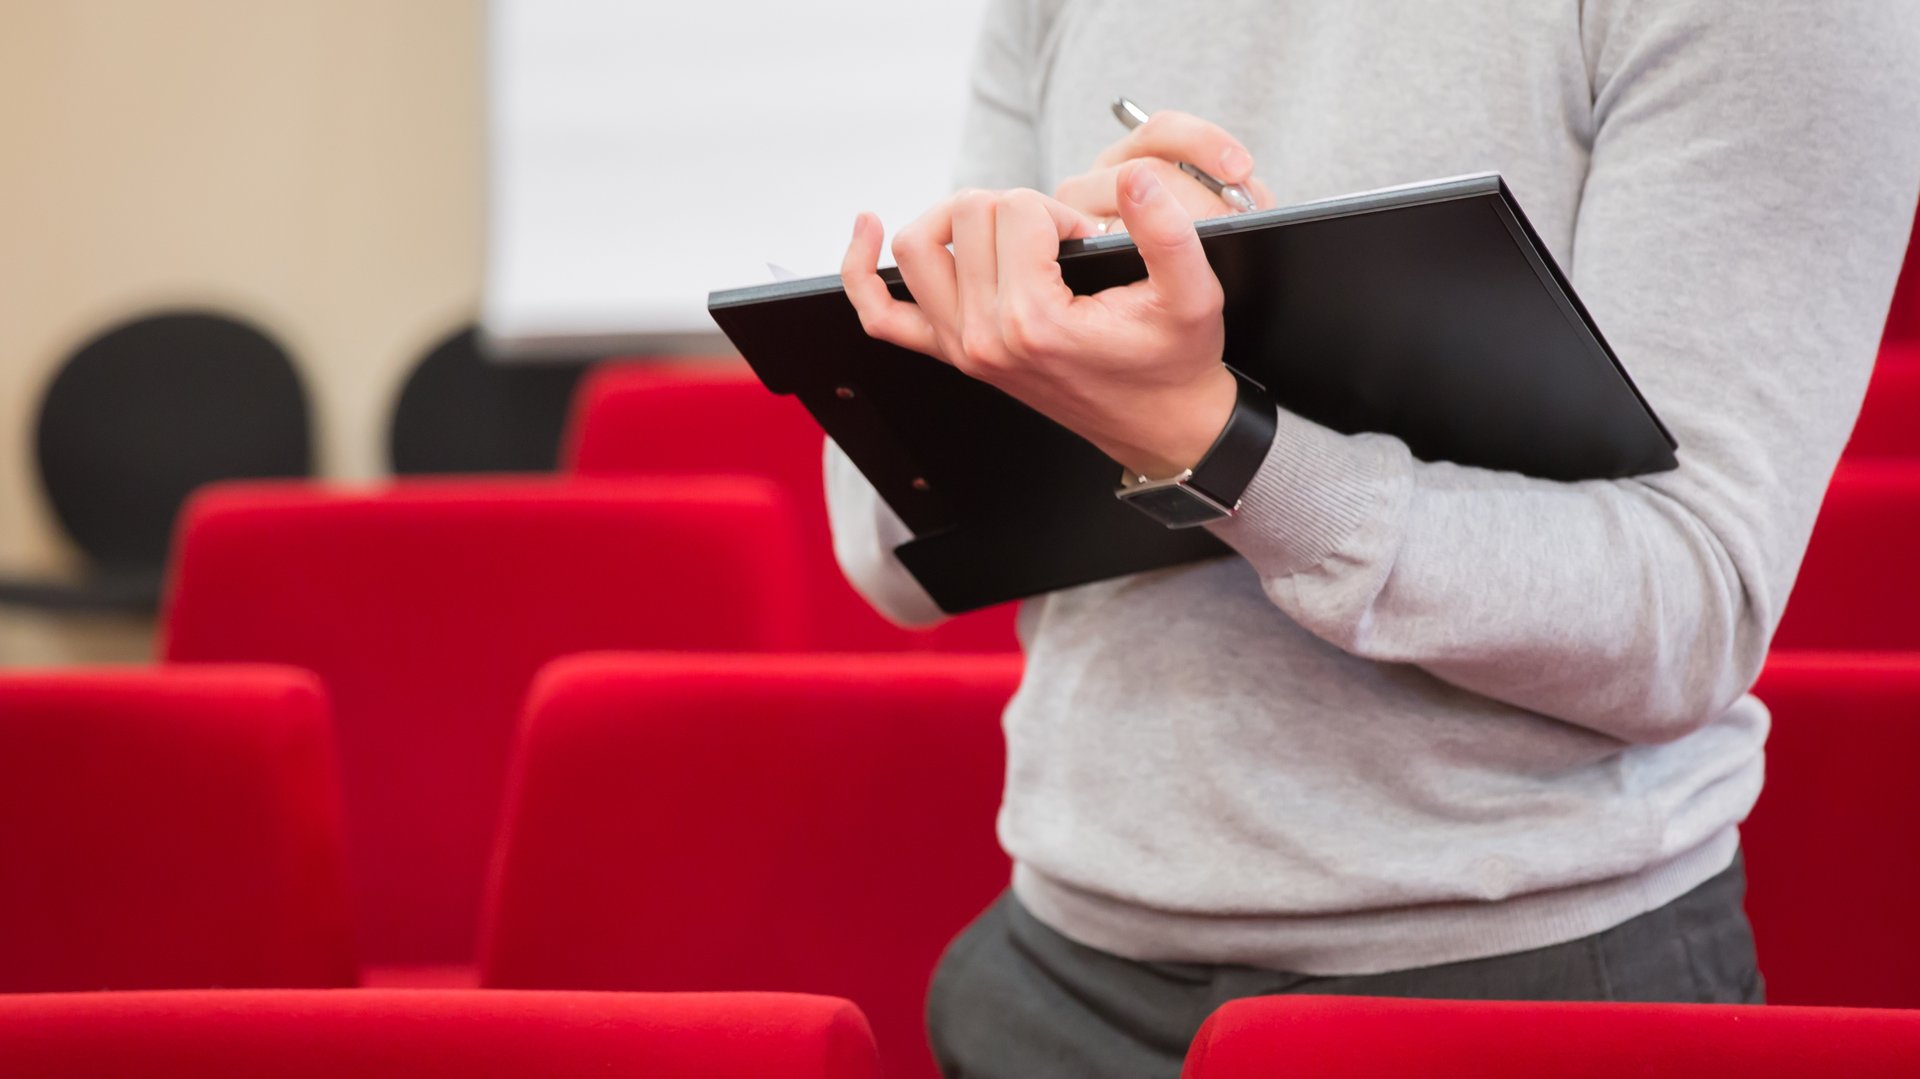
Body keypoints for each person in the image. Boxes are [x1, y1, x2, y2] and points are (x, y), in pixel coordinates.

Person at [826, 3, 1920, 1076]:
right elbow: (891, 553)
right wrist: (1059, 319)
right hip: (1057, 963)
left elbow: (1688, 612)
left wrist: (1223, 439)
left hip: (1515, 987)